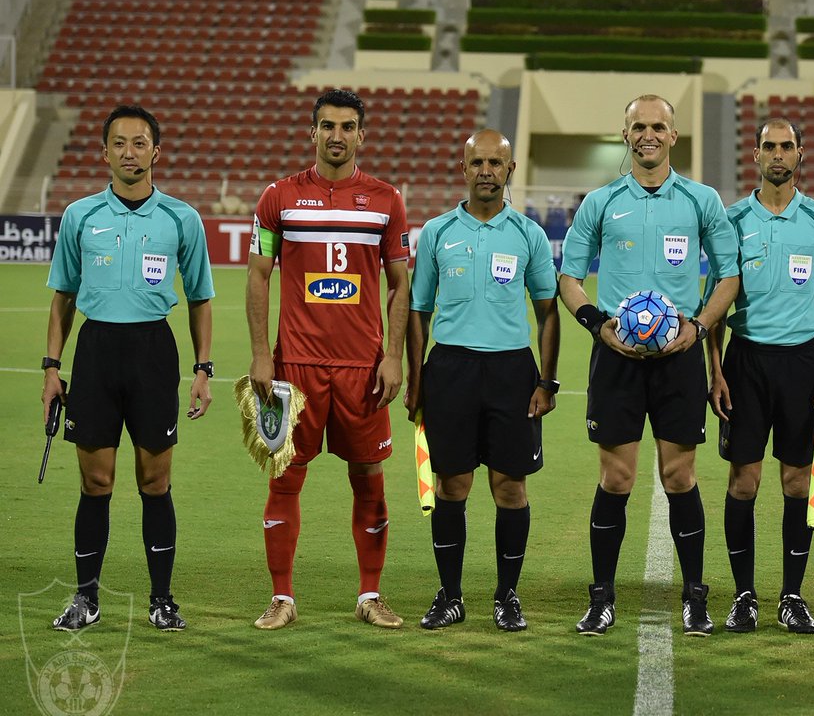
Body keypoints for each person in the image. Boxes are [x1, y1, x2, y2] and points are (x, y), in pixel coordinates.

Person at [558, 94, 741, 637]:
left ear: (673, 136)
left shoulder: (702, 200)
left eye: (658, 126)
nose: (648, 135)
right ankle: (601, 597)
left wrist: (699, 327)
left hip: (678, 356)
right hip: (615, 356)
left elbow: (728, 276)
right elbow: (569, 277)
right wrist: (598, 324)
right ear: (626, 135)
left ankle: (695, 595)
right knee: (616, 478)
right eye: (638, 126)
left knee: (679, 475)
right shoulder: (600, 202)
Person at [43, 104, 215, 632]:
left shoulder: (181, 218)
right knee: (95, 482)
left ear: (156, 153)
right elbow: (62, 298)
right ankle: (86, 598)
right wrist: (52, 366)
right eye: (119, 143)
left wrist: (203, 368)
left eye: (140, 143)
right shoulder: (79, 215)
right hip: (94, 352)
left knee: (154, 481)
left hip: (153, 353)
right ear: (105, 152)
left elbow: (201, 299)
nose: (129, 152)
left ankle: (162, 599)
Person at [246, 88, 410, 630]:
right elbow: (258, 275)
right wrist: (259, 355)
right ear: (312, 132)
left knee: (369, 476)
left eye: (347, 127)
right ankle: (282, 598)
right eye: (327, 126)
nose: (336, 136)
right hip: (296, 366)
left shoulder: (386, 199)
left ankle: (370, 594)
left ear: (362, 135)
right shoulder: (279, 197)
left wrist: (392, 356)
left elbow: (399, 283)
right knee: (284, 477)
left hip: (363, 369)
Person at [405, 129, 560, 633]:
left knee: (509, 488)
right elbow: (417, 312)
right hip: (449, 369)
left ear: (510, 170)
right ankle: (450, 595)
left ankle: (506, 595)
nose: (487, 171)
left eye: (497, 162)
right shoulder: (435, 232)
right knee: (452, 485)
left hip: (512, 372)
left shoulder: (529, 235)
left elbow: (547, 312)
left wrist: (547, 381)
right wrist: (415, 379)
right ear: (464, 167)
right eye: (479, 162)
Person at [705, 118, 814, 634]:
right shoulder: (733, 218)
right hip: (745, 361)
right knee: (744, 481)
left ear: (801, 154)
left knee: (796, 481)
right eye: (770, 146)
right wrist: (716, 371)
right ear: (756, 155)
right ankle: (744, 596)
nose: (778, 155)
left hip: (802, 364)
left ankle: (792, 594)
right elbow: (716, 302)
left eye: (787, 146)